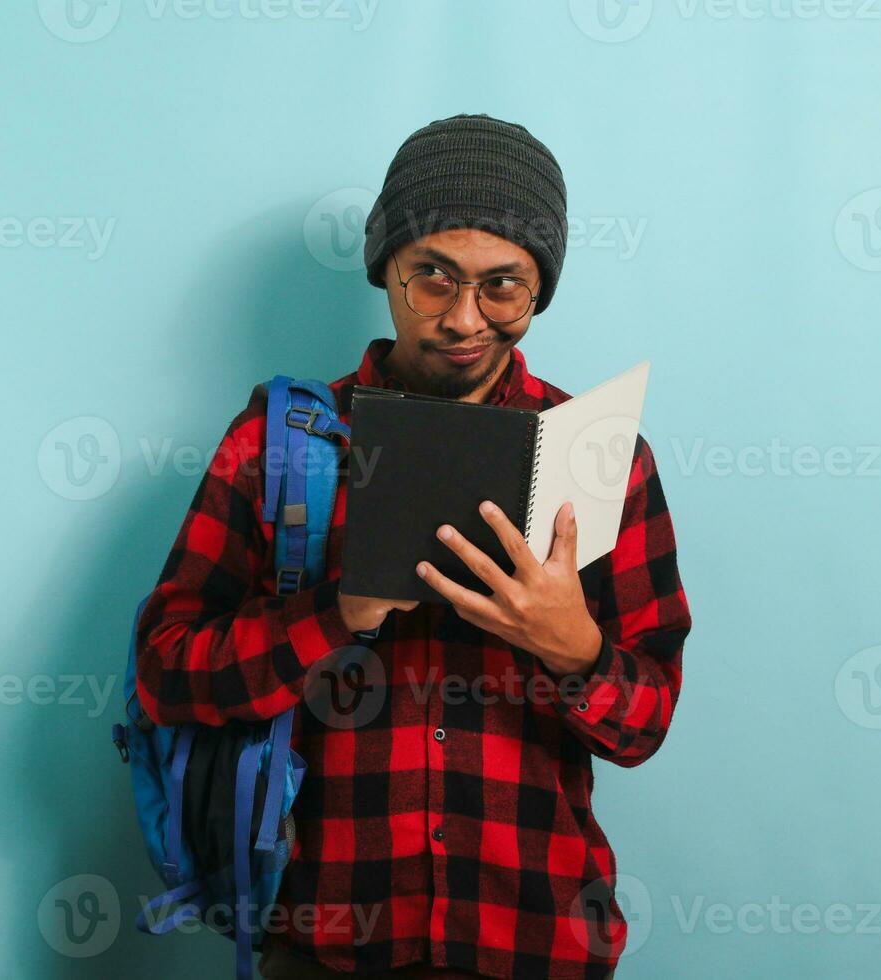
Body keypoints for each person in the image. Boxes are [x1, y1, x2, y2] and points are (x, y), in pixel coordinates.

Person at [135, 113, 691, 980]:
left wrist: (571, 648)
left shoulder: (598, 456)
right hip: (324, 948)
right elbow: (165, 672)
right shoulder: (280, 443)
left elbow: (647, 720)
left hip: (533, 940)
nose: (464, 318)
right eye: (432, 277)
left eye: (502, 286)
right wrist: (335, 614)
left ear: (538, 290)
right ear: (384, 271)